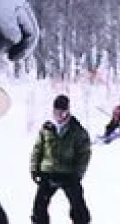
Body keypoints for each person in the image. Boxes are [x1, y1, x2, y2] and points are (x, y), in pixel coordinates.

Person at [30, 94, 92, 224]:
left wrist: (78, 173)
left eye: (62, 112)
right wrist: (34, 169)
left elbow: (84, 153)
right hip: (48, 172)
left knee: (78, 206)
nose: (59, 116)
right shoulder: (46, 128)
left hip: (68, 173)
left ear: (67, 112)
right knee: (39, 207)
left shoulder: (77, 130)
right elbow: (37, 150)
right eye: (56, 112)